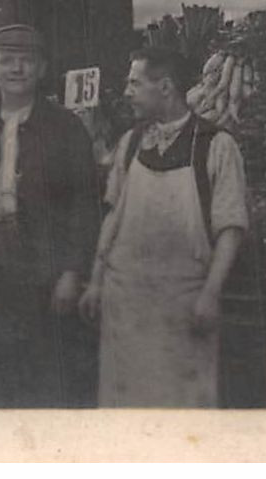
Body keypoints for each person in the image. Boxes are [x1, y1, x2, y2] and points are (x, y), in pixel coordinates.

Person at [78, 46, 249, 407]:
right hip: (125, 308)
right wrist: (95, 280)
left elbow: (230, 229)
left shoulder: (216, 146)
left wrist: (211, 293)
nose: (126, 93)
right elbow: (112, 216)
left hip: (183, 310)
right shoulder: (131, 144)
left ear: (166, 87)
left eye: (135, 84)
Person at [0, 24, 102, 407]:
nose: (17, 69)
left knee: (41, 375)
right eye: (7, 61)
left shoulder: (65, 127)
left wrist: (70, 272)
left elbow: (84, 204)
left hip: (41, 272)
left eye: (26, 61)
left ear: (42, 69)